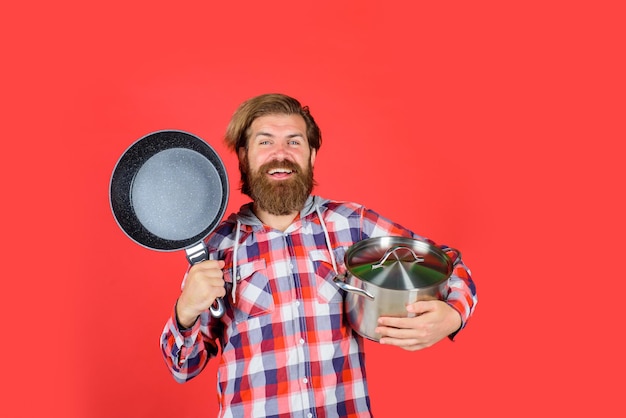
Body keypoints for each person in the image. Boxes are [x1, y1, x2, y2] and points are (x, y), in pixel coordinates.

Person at [160, 93, 478, 417]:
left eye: (294, 142)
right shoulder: (215, 248)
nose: (280, 154)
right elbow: (182, 366)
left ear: (312, 155)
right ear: (244, 155)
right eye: (265, 142)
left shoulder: (353, 225)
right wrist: (185, 310)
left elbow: (445, 263)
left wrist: (454, 314)